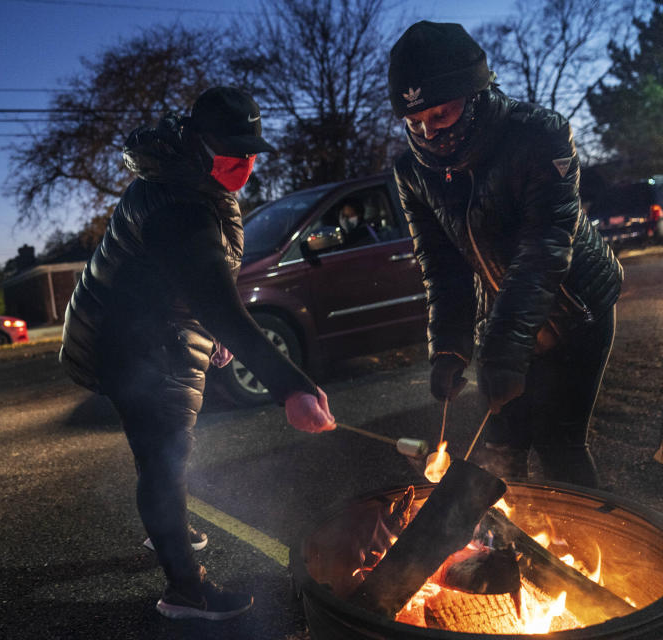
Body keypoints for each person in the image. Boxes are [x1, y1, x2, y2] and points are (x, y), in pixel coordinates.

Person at [59, 86, 336, 621]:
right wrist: (292, 387)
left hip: (153, 331)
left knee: (160, 456)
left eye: (252, 151)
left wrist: (215, 329)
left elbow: (199, 282)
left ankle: (169, 529)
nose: (246, 164)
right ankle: (185, 589)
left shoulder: (187, 180)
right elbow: (215, 298)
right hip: (140, 344)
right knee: (163, 459)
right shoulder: (178, 203)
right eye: (234, 152)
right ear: (198, 142)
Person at [388, 21, 623, 488]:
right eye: (415, 122)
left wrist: (503, 349)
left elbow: (545, 248)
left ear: (475, 95)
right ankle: (502, 553)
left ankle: (584, 553)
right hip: (503, 315)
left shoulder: (540, 136)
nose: (429, 134)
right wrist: (450, 345)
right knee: (500, 448)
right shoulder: (412, 172)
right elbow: (443, 266)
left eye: (441, 115)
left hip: (575, 309)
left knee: (560, 446)